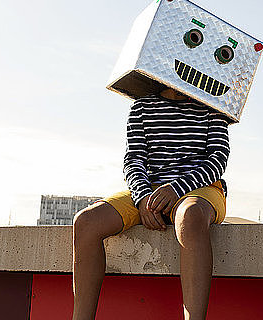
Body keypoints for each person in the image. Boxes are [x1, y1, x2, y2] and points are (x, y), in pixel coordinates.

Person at [72, 87, 230, 320]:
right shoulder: (141, 107)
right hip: (150, 190)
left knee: (191, 216)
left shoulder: (213, 106)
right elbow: (133, 159)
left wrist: (177, 189)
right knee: (85, 221)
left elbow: (217, 159)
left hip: (201, 189)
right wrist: (142, 197)